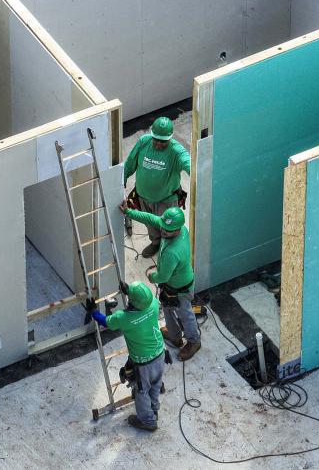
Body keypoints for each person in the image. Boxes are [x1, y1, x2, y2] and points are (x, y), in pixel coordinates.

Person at [121, 205, 200, 361]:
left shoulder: (173, 252)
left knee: (185, 314)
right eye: (163, 227)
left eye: (167, 230)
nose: (163, 231)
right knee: (168, 308)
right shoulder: (177, 227)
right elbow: (150, 218)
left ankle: (194, 341)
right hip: (172, 285)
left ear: (177, 230)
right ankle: (174, 336)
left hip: (180, 288)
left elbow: (162, 276)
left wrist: (152, 277)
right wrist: (129, 212)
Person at [86, 282, 167, 431]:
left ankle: (148, 422)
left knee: (141, 392)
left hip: (144, 363)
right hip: (160, 354)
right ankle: (154, 409)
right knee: (155, 384)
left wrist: (93, 312)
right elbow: (142, 300)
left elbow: (106, 322)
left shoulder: (124, 318)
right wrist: (129, 290)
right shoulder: (154, 304)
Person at [123, 116, 190, 258]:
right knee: (151, 225)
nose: (159, 144)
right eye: (156, 139)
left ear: (170, 138)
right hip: (143, 197)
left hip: (166, 200)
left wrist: (199, 174)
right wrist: (121, 181)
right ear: (151, 134)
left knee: (169, 228)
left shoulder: (177, 152)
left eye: (163, 141)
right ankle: (155, 243)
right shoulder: (143, 142)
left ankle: (170, 252)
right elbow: (129, 164)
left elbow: (189, 164)